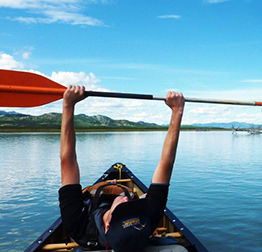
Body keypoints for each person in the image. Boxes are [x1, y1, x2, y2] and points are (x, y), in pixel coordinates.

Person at [58, 85, 185, 252]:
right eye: (133, 208)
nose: (126, 199)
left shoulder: (78, 225)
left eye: (125, 209)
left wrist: (68, 105)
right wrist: (177, 112)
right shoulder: (146, 219)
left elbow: (67, 161)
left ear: (108, 224)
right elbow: (166, 163)